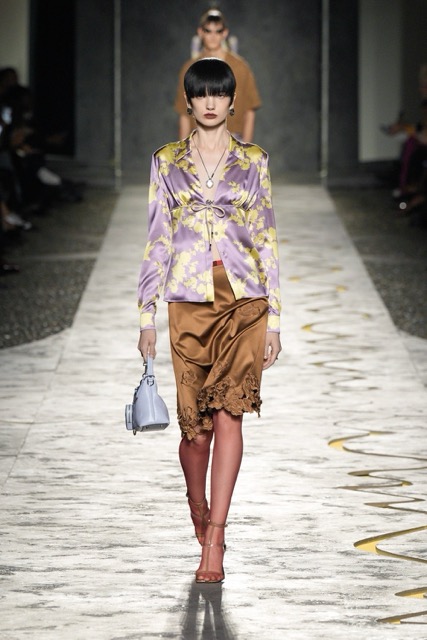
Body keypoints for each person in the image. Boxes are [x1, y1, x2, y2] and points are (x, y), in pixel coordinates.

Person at [137, 58, 281, 583]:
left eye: (219, 93)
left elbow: (266, 236)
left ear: (232, 101)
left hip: (244, 299)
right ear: (189, 101)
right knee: (196, 433)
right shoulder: (166, 161)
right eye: (201, 94)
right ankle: (196, 503)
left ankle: (216, 537)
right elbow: (157, 238)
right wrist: (146, 315)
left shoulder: (254, 161)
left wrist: (276, 318)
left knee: (230, 414)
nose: (211, 102)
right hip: (188, 301)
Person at [174, 9, 261, 142]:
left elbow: (249, 110)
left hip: (233, 139)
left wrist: (246, 148)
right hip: (198, 140)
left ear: (225, 33)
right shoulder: (189, 69)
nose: (213, 36)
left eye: (218, 31)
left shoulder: (240, 68)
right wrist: (182, 150)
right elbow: (184, 113)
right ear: (200, 32)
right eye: (208, 31)